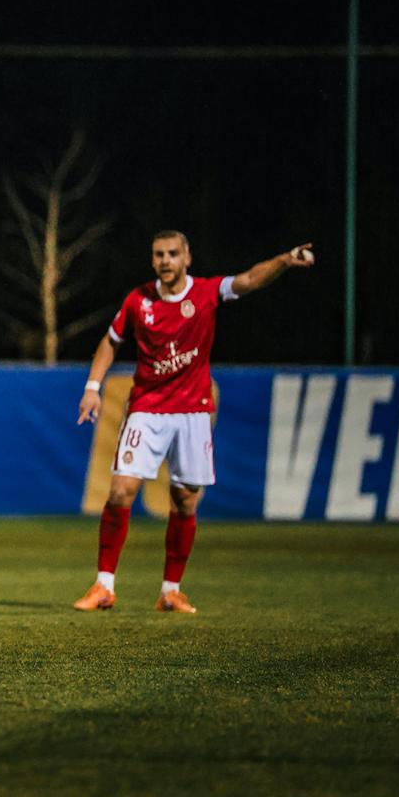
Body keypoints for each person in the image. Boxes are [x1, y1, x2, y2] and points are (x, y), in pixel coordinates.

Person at [72, 231, 314, 614]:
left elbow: (249, 280)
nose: (165, 260)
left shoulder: (206, 292)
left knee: (185, 501)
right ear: (152, 261)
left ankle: (171, 591)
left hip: (193, 412)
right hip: (147, 409)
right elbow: (111, 340)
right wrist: (92, 386)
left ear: (187, 258)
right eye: (158, 255)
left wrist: (284, 260)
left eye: (172, 253)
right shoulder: (139, 300)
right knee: (120, 491)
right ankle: (104, 585)